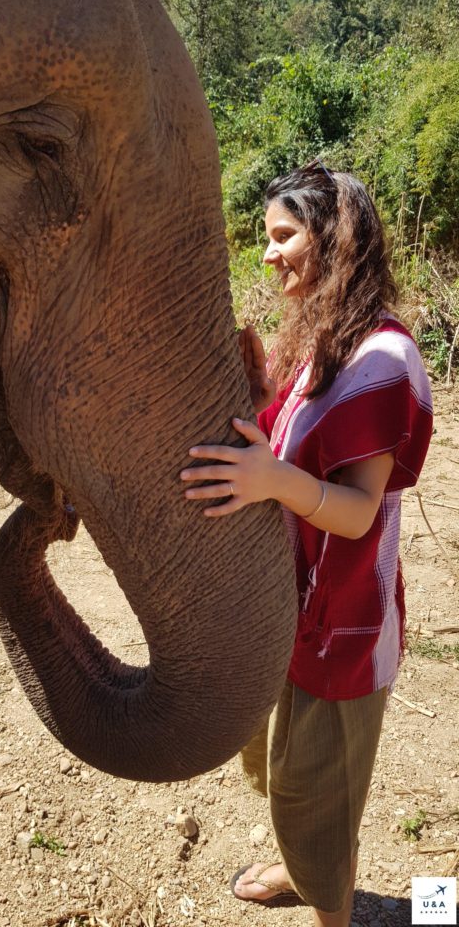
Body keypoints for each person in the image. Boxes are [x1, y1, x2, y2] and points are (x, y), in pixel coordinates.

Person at [180, 160, 433, 927]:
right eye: (266, 237)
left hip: (346, 625)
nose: (267, 253)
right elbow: (293, 453)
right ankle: (307, 869)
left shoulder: (382, 360)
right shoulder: (323, 340)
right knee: (287, 772)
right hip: (292, 607)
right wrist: (263, 402)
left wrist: (267, 479)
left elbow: (356, 511)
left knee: (318, 791)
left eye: (283, 235)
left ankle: (334, 908)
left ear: (333, 239)